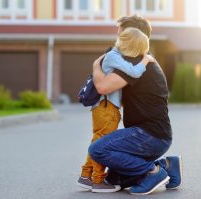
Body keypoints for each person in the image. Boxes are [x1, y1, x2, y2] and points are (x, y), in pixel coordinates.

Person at [88, 15, 183, 195]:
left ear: (132, 35)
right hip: (155, 137)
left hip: (148, 136)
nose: (117, 39)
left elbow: (102, 86)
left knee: (97, 150)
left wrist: (95, 65)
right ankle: (168, 166)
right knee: (114, 178)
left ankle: (152, 172)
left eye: (120, 34)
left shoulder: (135, 62)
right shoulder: (143, 60)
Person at [77, 27, 155, 193]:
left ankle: (86, 176)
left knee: (97, 140)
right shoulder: (114, 56)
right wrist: (146, 60)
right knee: (101, 144)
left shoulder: (113, 56)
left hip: (106, 107)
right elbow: (134, 72)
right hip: (106, 108)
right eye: (140, 49)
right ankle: (97, 180)